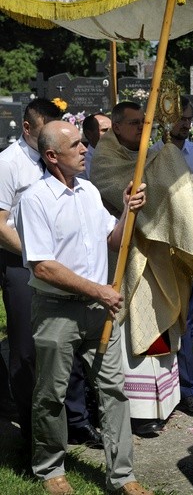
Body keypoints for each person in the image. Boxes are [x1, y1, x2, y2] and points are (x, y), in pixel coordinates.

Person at [14, 119, 151, 495]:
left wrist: (127, 211)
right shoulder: (34, 200)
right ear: (52, 155)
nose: (85, 148)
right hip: (58, 311)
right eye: (75, 144)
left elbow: (112, 239)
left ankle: (122, 476)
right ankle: (51, 468)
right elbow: (43, 265)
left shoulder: (89, 191)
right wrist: (99, 290)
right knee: (51, 393)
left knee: (114, 390)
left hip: (98, 312)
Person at [90, 101, 193, 436]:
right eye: (133, 123)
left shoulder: (148, 154)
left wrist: (165, 161)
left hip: (158, 255)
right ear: (116, 126)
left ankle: (165, 401)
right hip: (127, 257)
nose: (140, 128)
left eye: (143, 122)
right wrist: (160, 166)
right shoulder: (105, 158)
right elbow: (121, 192)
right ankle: (139, 411)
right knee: (136, 330)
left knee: (162, 325)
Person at [0, 97, 100, 448]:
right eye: (45, 133)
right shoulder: (9, 164)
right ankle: (33, 429)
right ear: (28, 128)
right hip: (22, 263)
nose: (51, 142)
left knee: (69, 343)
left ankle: (76, 421)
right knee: (28, 348)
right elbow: (0, 225)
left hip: (68, 264)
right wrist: (38, 254)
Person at [151, 96, 193, 414]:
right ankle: (159, 388)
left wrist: (184, 203)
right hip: (161, 248)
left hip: (189, 249)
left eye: (189, 119)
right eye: (180, 118)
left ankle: (188, 389)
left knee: (188, 321)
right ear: (165, 120)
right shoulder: (152, 156)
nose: (186, 124)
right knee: (160, 318)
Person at [79, 112, 111, 179]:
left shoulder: (124, 154)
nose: (111, 134)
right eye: (105, 130)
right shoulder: (81, 164)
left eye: (112, 130)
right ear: (89, 134)